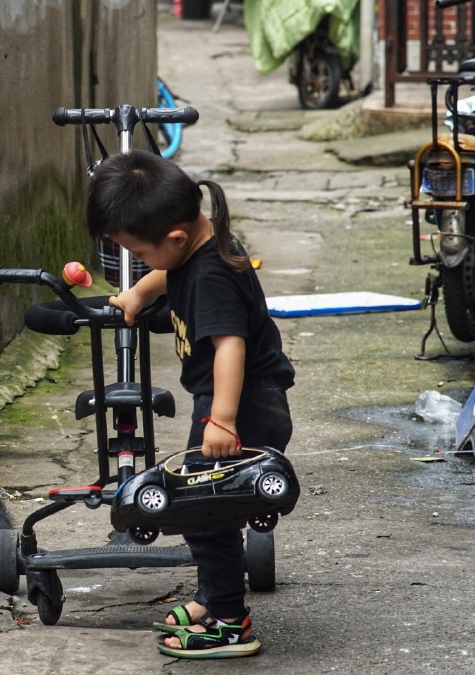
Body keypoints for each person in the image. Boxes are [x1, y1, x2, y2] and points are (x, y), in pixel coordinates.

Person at [86, 149, 295, 660]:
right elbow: (167, 273)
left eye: (137, 251)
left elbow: (230, 345)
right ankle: (213, 597)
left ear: (175, 237)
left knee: (204, 510)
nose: (139, 261)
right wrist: (138, 292)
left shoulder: (210, 276)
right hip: (235, 403)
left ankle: (229, 621)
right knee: (208, 509)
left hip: (240, 407)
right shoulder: (196, 248)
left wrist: (219, 419)